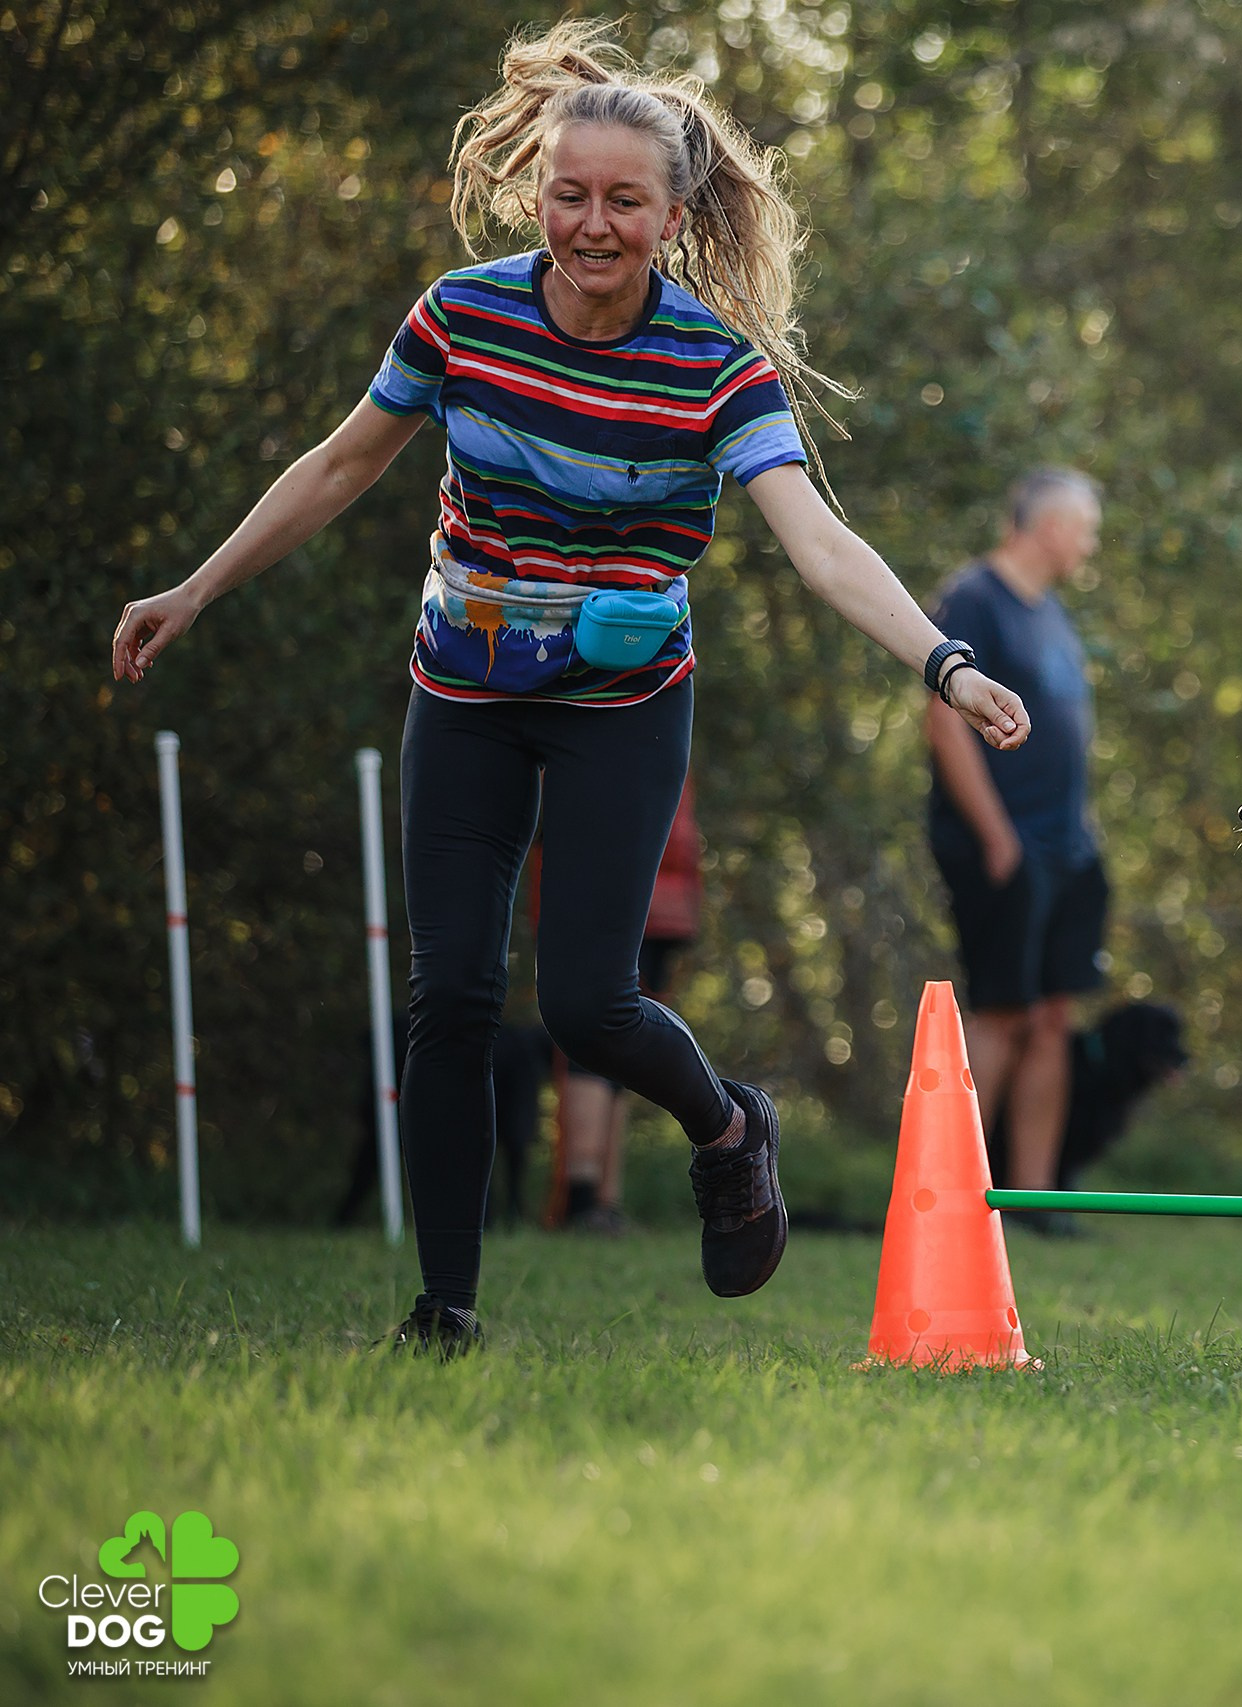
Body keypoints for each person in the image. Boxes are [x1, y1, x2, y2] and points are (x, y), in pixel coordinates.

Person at [109, 23, 1027, 1355]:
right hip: (465, 680)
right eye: (568, 192)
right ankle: (445, 1305)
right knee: (454, 998)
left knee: (592, 1001)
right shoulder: (460, 314)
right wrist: (194, 587)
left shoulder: (715, 366)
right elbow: (338, 464)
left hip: (623, 700)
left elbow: (818, 538)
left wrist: (945, 663)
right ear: (536, 188)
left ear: (669, 213)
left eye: (622, 200)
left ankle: (728, 1126)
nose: (591, 223)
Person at [923, 468, 1108, 1232]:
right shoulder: (975, 598)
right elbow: (943, 724)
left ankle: (1034, 1200)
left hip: (1068, 849)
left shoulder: (1053, 613)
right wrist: (997, 834)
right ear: (1050, 525)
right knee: (1000, 1013)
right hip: (1004, 848)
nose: (1090, 543)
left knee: (1053, 1016)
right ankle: (953, 1198)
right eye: (1086, 527)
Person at [545, 778, 704, 1234]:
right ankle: (602, 1201)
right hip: (670, 888)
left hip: (618, 884)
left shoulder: (596, 709)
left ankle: (584, 1197)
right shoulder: (664, 708)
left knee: (590, 1037)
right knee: (620, 1034)